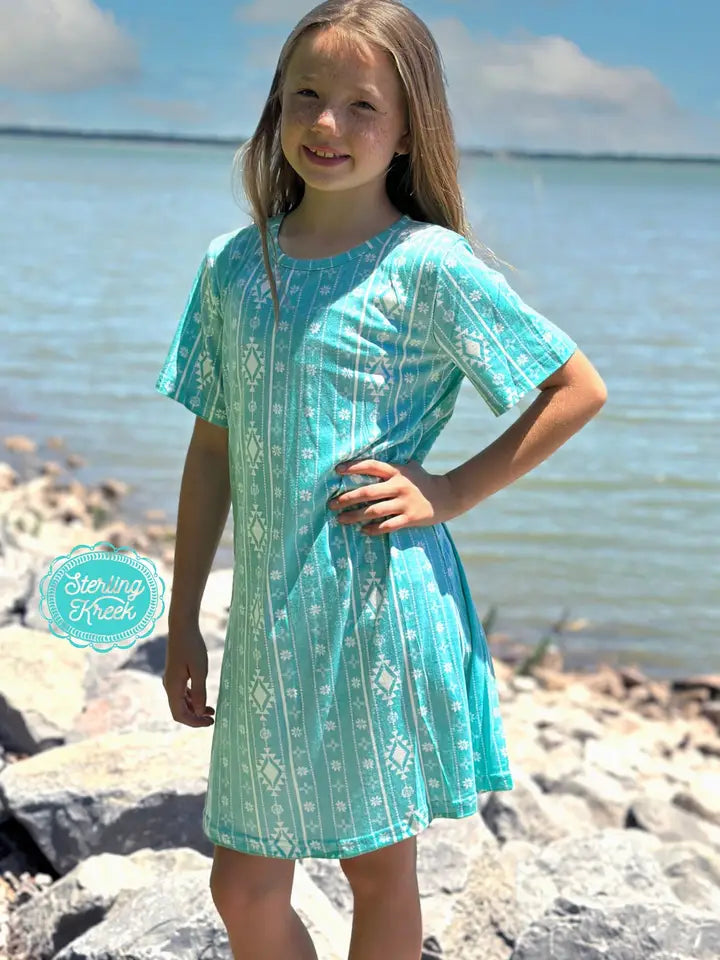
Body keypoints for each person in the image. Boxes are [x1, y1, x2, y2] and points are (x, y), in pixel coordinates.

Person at [154, 1, 607, 958]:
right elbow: (212, 451)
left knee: (376, 871)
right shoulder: (232, 267)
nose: (327, 124)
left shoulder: (428, 265)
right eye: (306, 96)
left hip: (377, 609)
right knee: (242, 886)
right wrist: (184, 616)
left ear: (408, 131)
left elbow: (575, 389)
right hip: (268, 625)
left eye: (363, 105)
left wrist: (452, 491)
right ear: (276, 106)